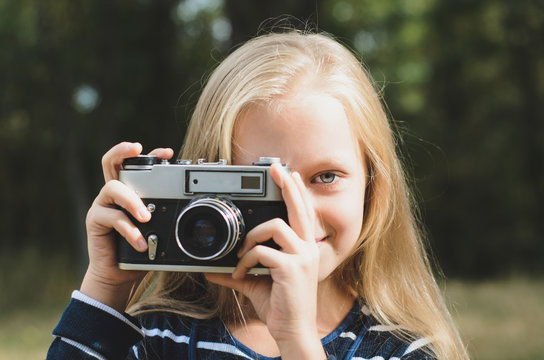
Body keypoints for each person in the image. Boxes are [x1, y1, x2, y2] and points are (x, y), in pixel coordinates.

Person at [47, 30, 468, 360]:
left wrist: (297, 342)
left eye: (325, 177)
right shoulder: (158, 336)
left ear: (372, 188)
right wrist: (105, 288)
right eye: (260, 180)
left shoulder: (402, 352)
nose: (296, 211)